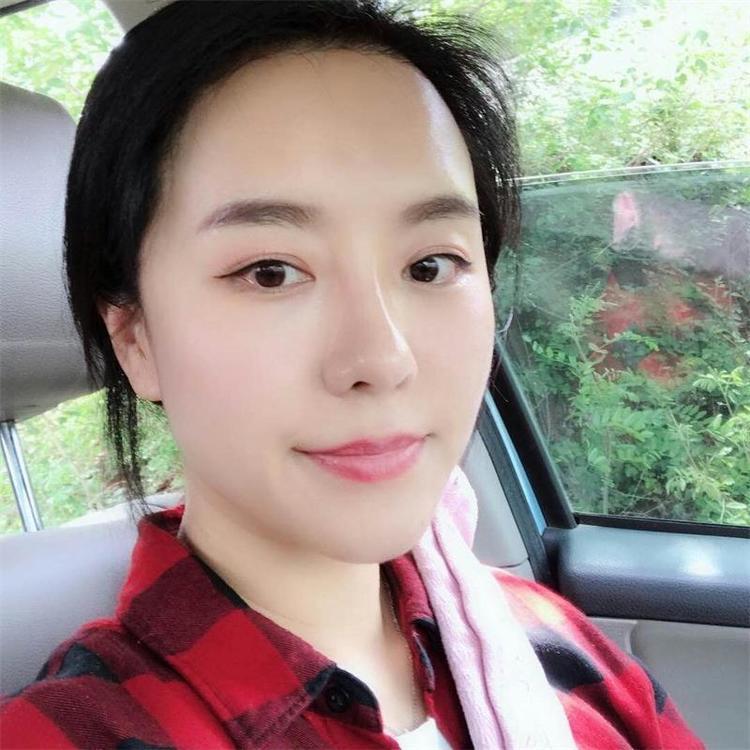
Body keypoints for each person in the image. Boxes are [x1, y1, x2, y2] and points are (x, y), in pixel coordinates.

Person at [0, 2, 705, 748]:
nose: (382, 359)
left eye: (430, 265)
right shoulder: (68, 736)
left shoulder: (555, 647)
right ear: (135, 339)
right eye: (270, 272)